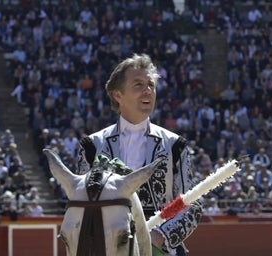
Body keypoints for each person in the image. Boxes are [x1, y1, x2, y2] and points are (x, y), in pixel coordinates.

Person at [77, 54, 203, 255]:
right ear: (118, 95)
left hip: (161, 248)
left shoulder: (174, 145)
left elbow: (192, 205)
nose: (148, 91)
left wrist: (161, 236)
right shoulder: (92, 147)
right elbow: (82, 208)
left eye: (151, 85)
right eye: (138, 85)